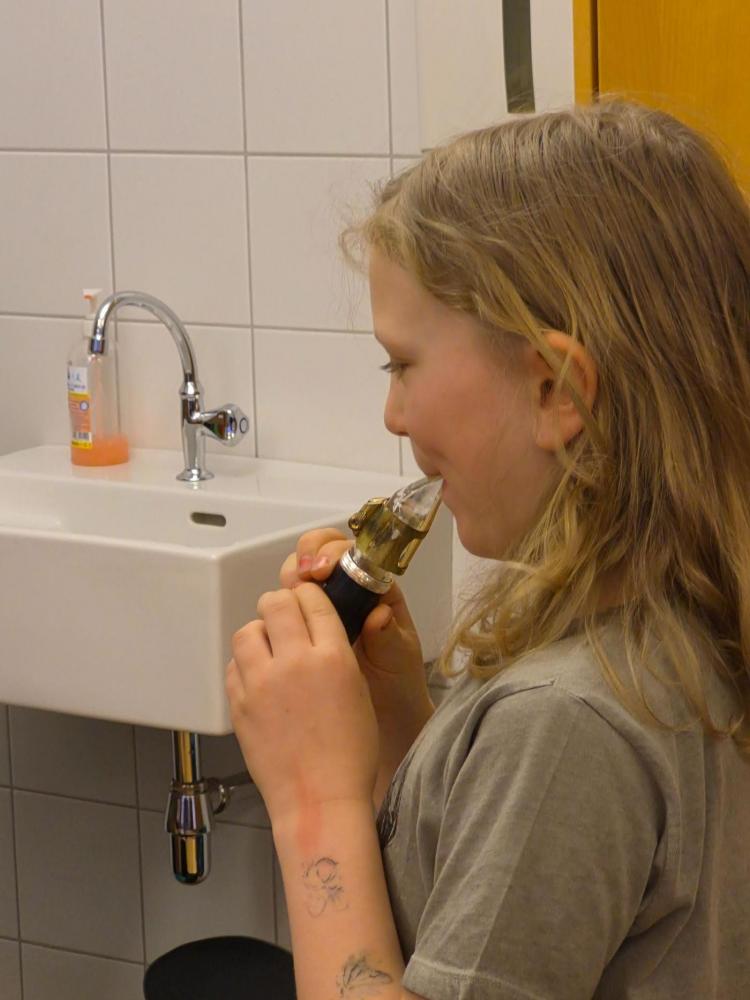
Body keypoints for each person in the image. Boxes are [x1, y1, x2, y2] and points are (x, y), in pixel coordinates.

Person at [225, 100, 750, 999]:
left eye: (402, 365)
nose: (393, 415)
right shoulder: (672, 631)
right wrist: (398, 719)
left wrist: (316, 804)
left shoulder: (566, 724)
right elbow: (500, 893)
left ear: (555, 391)